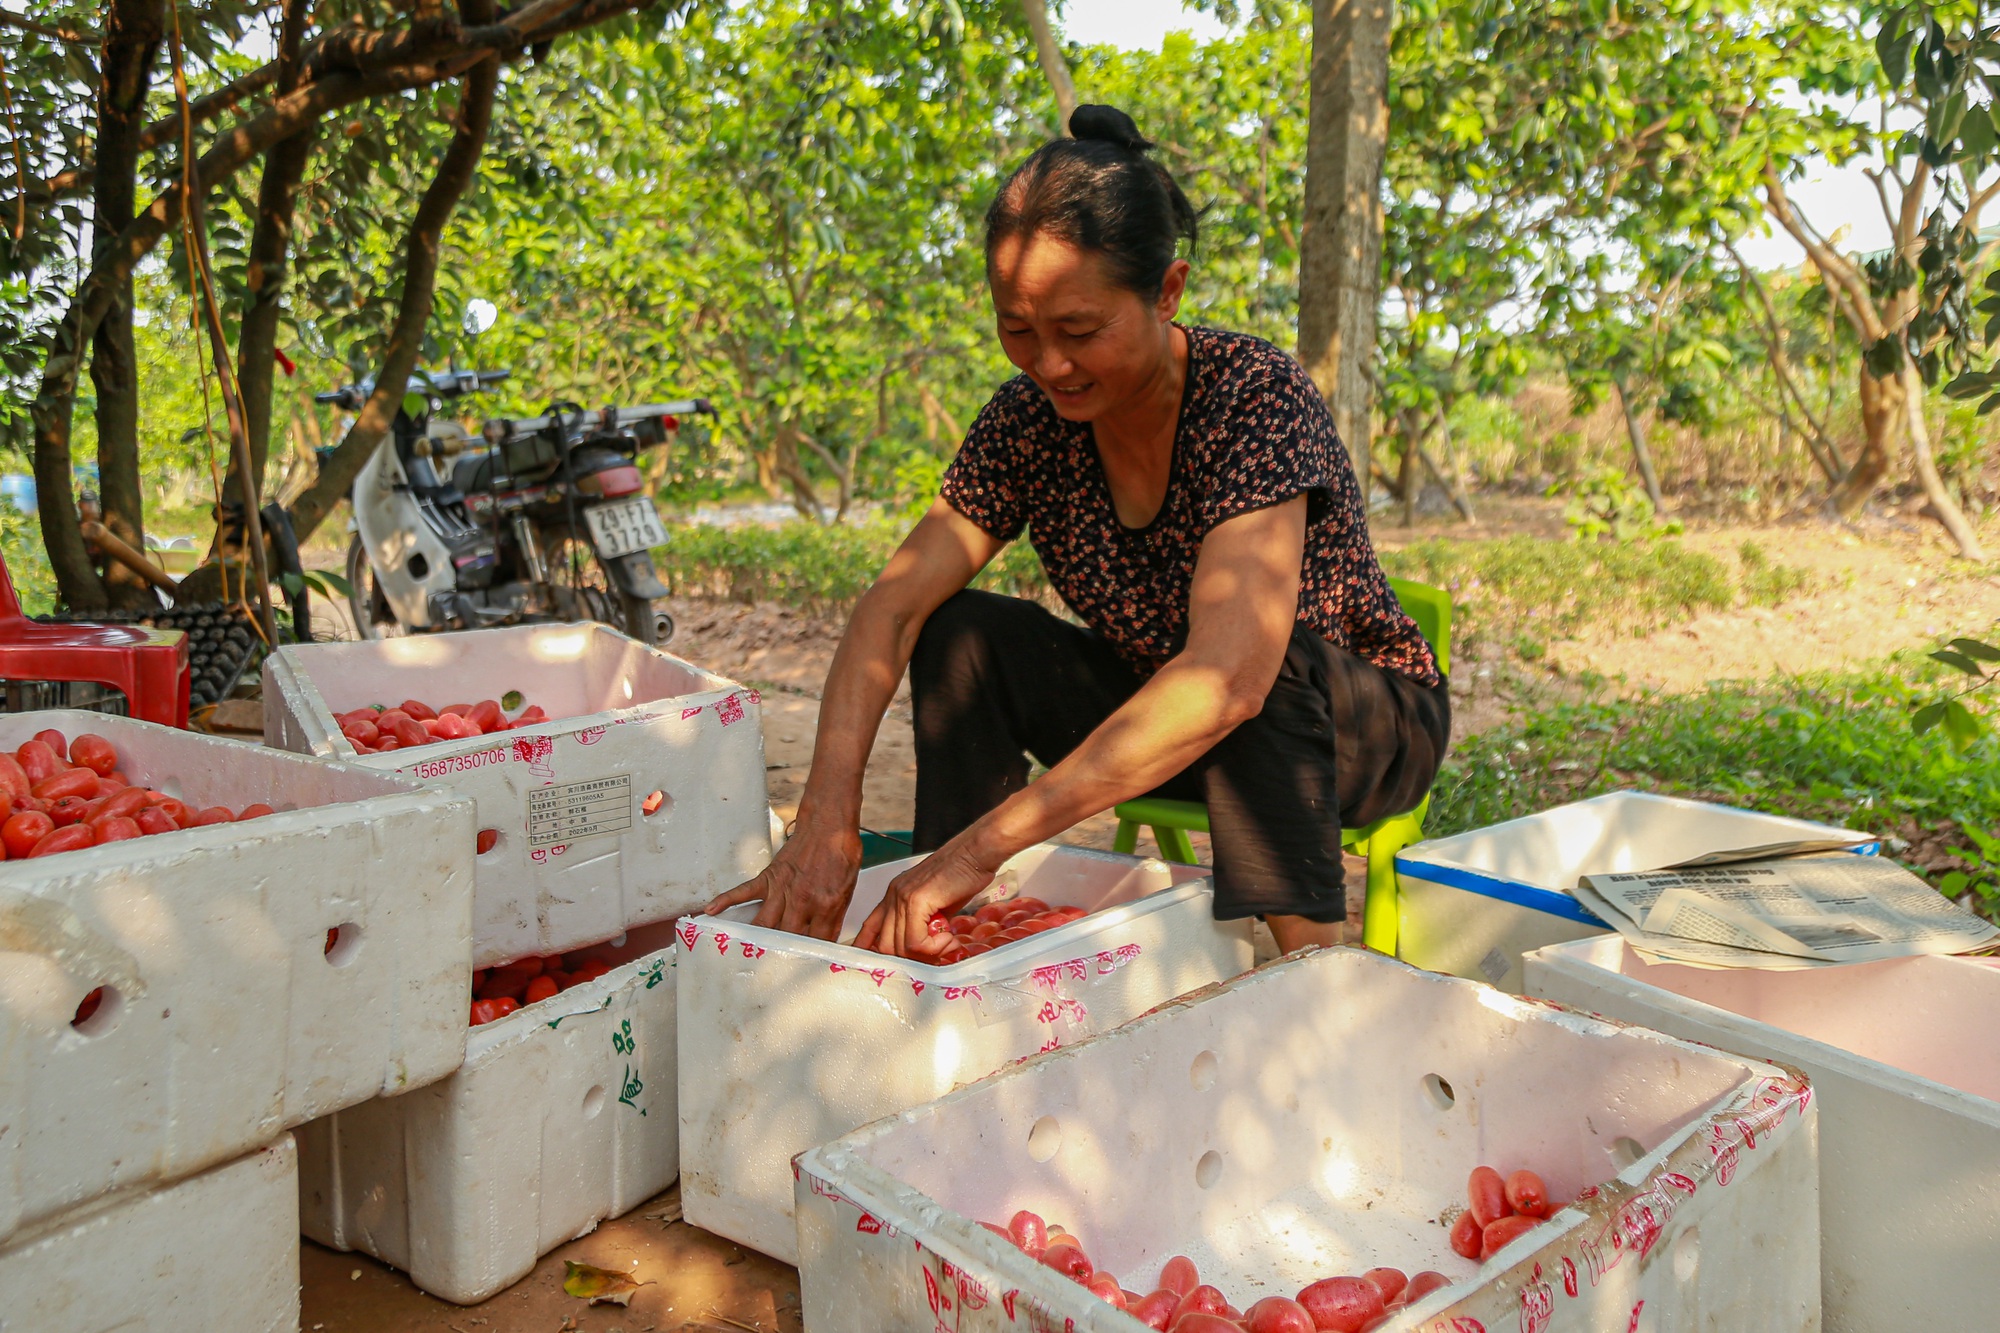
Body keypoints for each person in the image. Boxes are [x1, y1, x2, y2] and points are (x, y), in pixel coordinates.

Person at [706, 104, 1449, 959]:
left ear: (1166, 293)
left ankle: (1312, 972)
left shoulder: (1254, 397)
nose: (1048, 364)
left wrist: (984, 842)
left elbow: (1227, 680)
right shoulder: (1028, 422)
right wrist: (824, 820)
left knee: (1250, 671)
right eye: (1017, 330)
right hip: (1163, 707)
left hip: (1353, 730)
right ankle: (938, 931)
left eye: (1079, 332)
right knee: (961, 631)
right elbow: (894, 607)